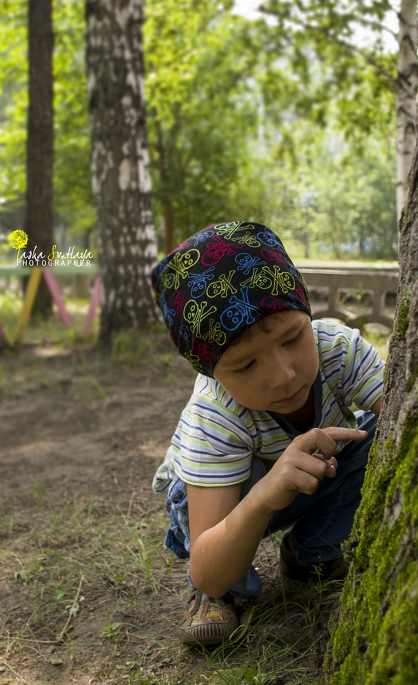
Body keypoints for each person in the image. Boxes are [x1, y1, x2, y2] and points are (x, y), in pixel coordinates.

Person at [152, 221, 384, 646]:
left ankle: (309, 553)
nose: (282, 376)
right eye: (244, 366)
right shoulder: (215, 411)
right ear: (211, 371)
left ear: (307, 311)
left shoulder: (339, 350)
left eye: (293, 338)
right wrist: (265, 494)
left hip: (307, 479)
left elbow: (403, 408)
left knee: (374, 439)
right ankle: (216, 597)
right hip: (228, 500)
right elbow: (207, 559)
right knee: (219, 575)